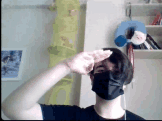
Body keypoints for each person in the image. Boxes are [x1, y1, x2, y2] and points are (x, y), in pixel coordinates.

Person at [2, 48, 145, 120]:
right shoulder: (71, 116)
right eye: (101, 69)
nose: (109, 75)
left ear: (125, 82)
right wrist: (66, 65)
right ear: (92, 78)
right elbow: (13, 109)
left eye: (117, 71)